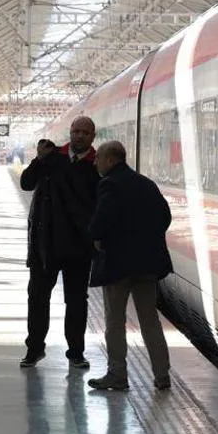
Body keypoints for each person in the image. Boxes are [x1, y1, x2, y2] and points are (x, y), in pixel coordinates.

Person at [87, 141, 173, 391]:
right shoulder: (146, 183)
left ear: (111, 160)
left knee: (115, 321)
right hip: (147, 265)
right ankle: (162, 375)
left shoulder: (109, 185)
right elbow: (165, 217)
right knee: (150, 320)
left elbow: (101, 221)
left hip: (118, 266)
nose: (95, 162)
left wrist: (95, 237)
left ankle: (117, 374)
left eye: (99, 158)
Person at [18, 116, 100, 369]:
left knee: (76, 300)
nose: (79, 136)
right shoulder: (53, 157)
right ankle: (34, 348)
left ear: (93, 137)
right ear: (70, 132)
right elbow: (26, 183)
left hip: (78, 245)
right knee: (37, 297)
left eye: (85, 132)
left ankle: (76, 351)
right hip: (46, 243)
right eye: (76, 131)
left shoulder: (98, 163)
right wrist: (38, 159)